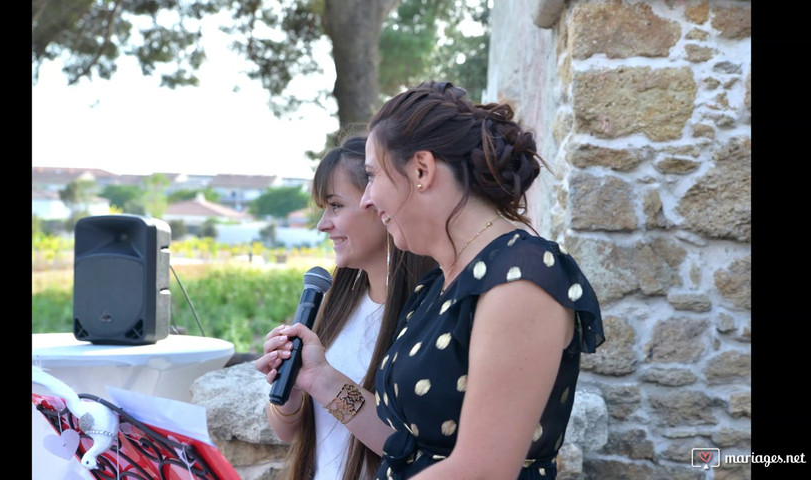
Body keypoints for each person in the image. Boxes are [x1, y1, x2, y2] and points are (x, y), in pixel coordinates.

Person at [261, 81, 605, 480]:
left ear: (421, 170)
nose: (369, 199)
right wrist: (320, 379)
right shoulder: (437, 285)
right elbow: (404, 446)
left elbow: (483, 470)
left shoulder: (523, 276)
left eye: (373, 177)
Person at [254, 133, 435, 480]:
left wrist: (325, 381)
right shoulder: (335, 300)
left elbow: (411, 448)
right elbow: (288, 431)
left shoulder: (427, 312)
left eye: (336, 205)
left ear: (381, 204)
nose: (323, 224)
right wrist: (289, 392)